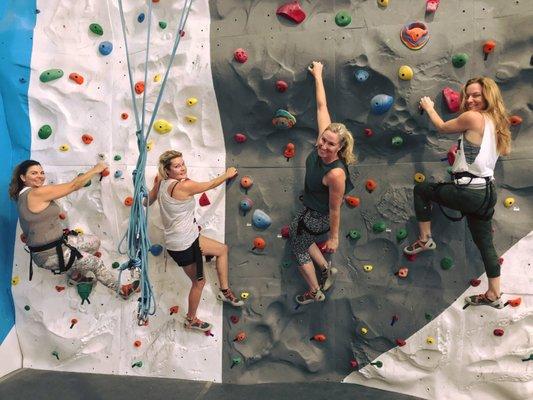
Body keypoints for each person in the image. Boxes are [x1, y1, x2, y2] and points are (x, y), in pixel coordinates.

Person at [404, 77, 512, 309]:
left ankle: (425, 239)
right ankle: (495, 294)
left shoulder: (473, 117)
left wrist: (429, 108)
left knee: (422, 190)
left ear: (488, 97)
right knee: (485, 244)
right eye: (468, 95)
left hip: (470, 193)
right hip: (486, 193)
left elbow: (442, 127)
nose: (470, 99)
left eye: (476, 95)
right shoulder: (495, 120)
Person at [9, 160, 139, 298]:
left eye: (42, 172)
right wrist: (96, 169)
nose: (40, 176)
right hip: (49, 255)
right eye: (34, 173)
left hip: (57, 244)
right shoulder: (36, 193)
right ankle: (122, 290)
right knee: (96, 263)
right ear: (23, 178)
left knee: (94, 242)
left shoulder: (23, 196)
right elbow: (73, 185)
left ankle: (75, 276)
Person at [147, 150, 244, 332]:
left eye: (182, 164)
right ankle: (191, 319)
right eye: (177, 166)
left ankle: (224, 291)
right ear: (167, 170)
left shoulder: (160, 183)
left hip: (186, 238)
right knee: (199, 283)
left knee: (222, 249)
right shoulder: (184, 186)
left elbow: (147, 202)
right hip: (183, 245)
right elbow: (211, 184)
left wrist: (140, 195)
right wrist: (228, 174)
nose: (182, 168)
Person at [289, 61, 356, 305]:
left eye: (330, 144)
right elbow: (321, 106)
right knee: (301, 237)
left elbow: (335, 208)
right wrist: (318, 75)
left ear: (340, 148)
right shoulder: (321, 141)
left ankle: (314, 290)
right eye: (323, 140)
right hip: (310, 208)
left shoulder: (336, 173)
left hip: (319, 216)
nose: (323, 145)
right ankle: (327, 269)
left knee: (298, 245)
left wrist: (334, 238)